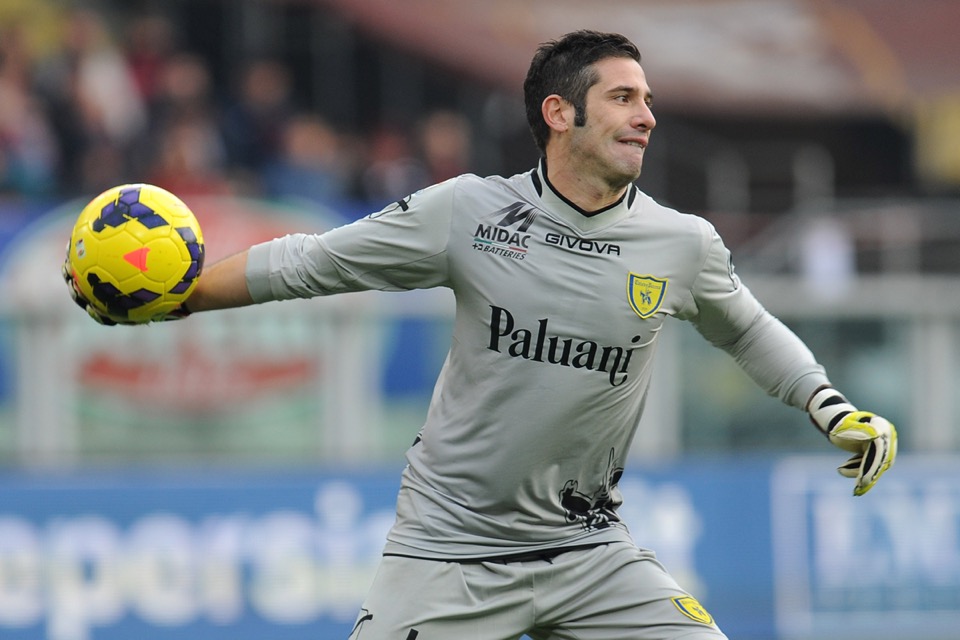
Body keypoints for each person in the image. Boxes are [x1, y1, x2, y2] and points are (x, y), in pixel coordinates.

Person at [64, 30, 897, 640]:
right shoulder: (469, 213)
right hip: (448, 551)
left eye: (647, 98)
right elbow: (314, 261)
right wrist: (183, 300)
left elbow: (749, 331)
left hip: (589, 549)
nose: (648, 115)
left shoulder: (681, 244)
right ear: (558, 111)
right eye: (624, 97)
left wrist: (833, 408)